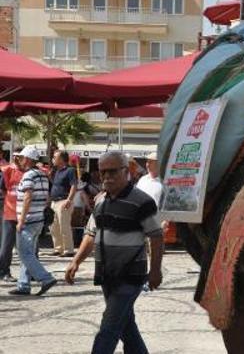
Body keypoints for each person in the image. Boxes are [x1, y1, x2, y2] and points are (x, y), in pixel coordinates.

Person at [65, 151, 164, 354]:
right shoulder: (100, 200)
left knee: (108, 329)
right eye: (103, 172)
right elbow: (91, 234)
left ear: (126, 172)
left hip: (130, 276)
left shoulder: (142, 201)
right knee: (127, 328)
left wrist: (155, 270)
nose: (107, 177)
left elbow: (156, 236)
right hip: (106, 275)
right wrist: (75, 261)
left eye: (112, 171)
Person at [9, 147, 57, 296]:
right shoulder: (42, 175)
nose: (20, 160)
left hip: (28, 220)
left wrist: (21, 220)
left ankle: (45, 278)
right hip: (38, 219)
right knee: (28, 252)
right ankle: (24, 285)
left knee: (24, 253)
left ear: (28, 159)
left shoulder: (29, 175)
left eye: (22, 157)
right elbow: (46, 197)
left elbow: (28, 197)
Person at [0, 150, 24, 282]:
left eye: (18, 156)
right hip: (10, 213)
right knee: (6, 245)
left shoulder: (31, 172)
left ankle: (29, 273)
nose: (15, 158)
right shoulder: (7, 170)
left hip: (26, 215)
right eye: (14, 156)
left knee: (30, 246)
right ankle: (4, 272)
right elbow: (3, 189)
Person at [49, 150, 78, 257]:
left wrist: (69, 200)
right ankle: (58, 248)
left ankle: (68, 250)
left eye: (55, 156)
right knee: (54, 227)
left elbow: (74, 185)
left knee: (64, 227)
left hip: (63, 201)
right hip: (54, 202)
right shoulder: (56, 171)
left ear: (62, 159)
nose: (53, 158)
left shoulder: (70, 170)